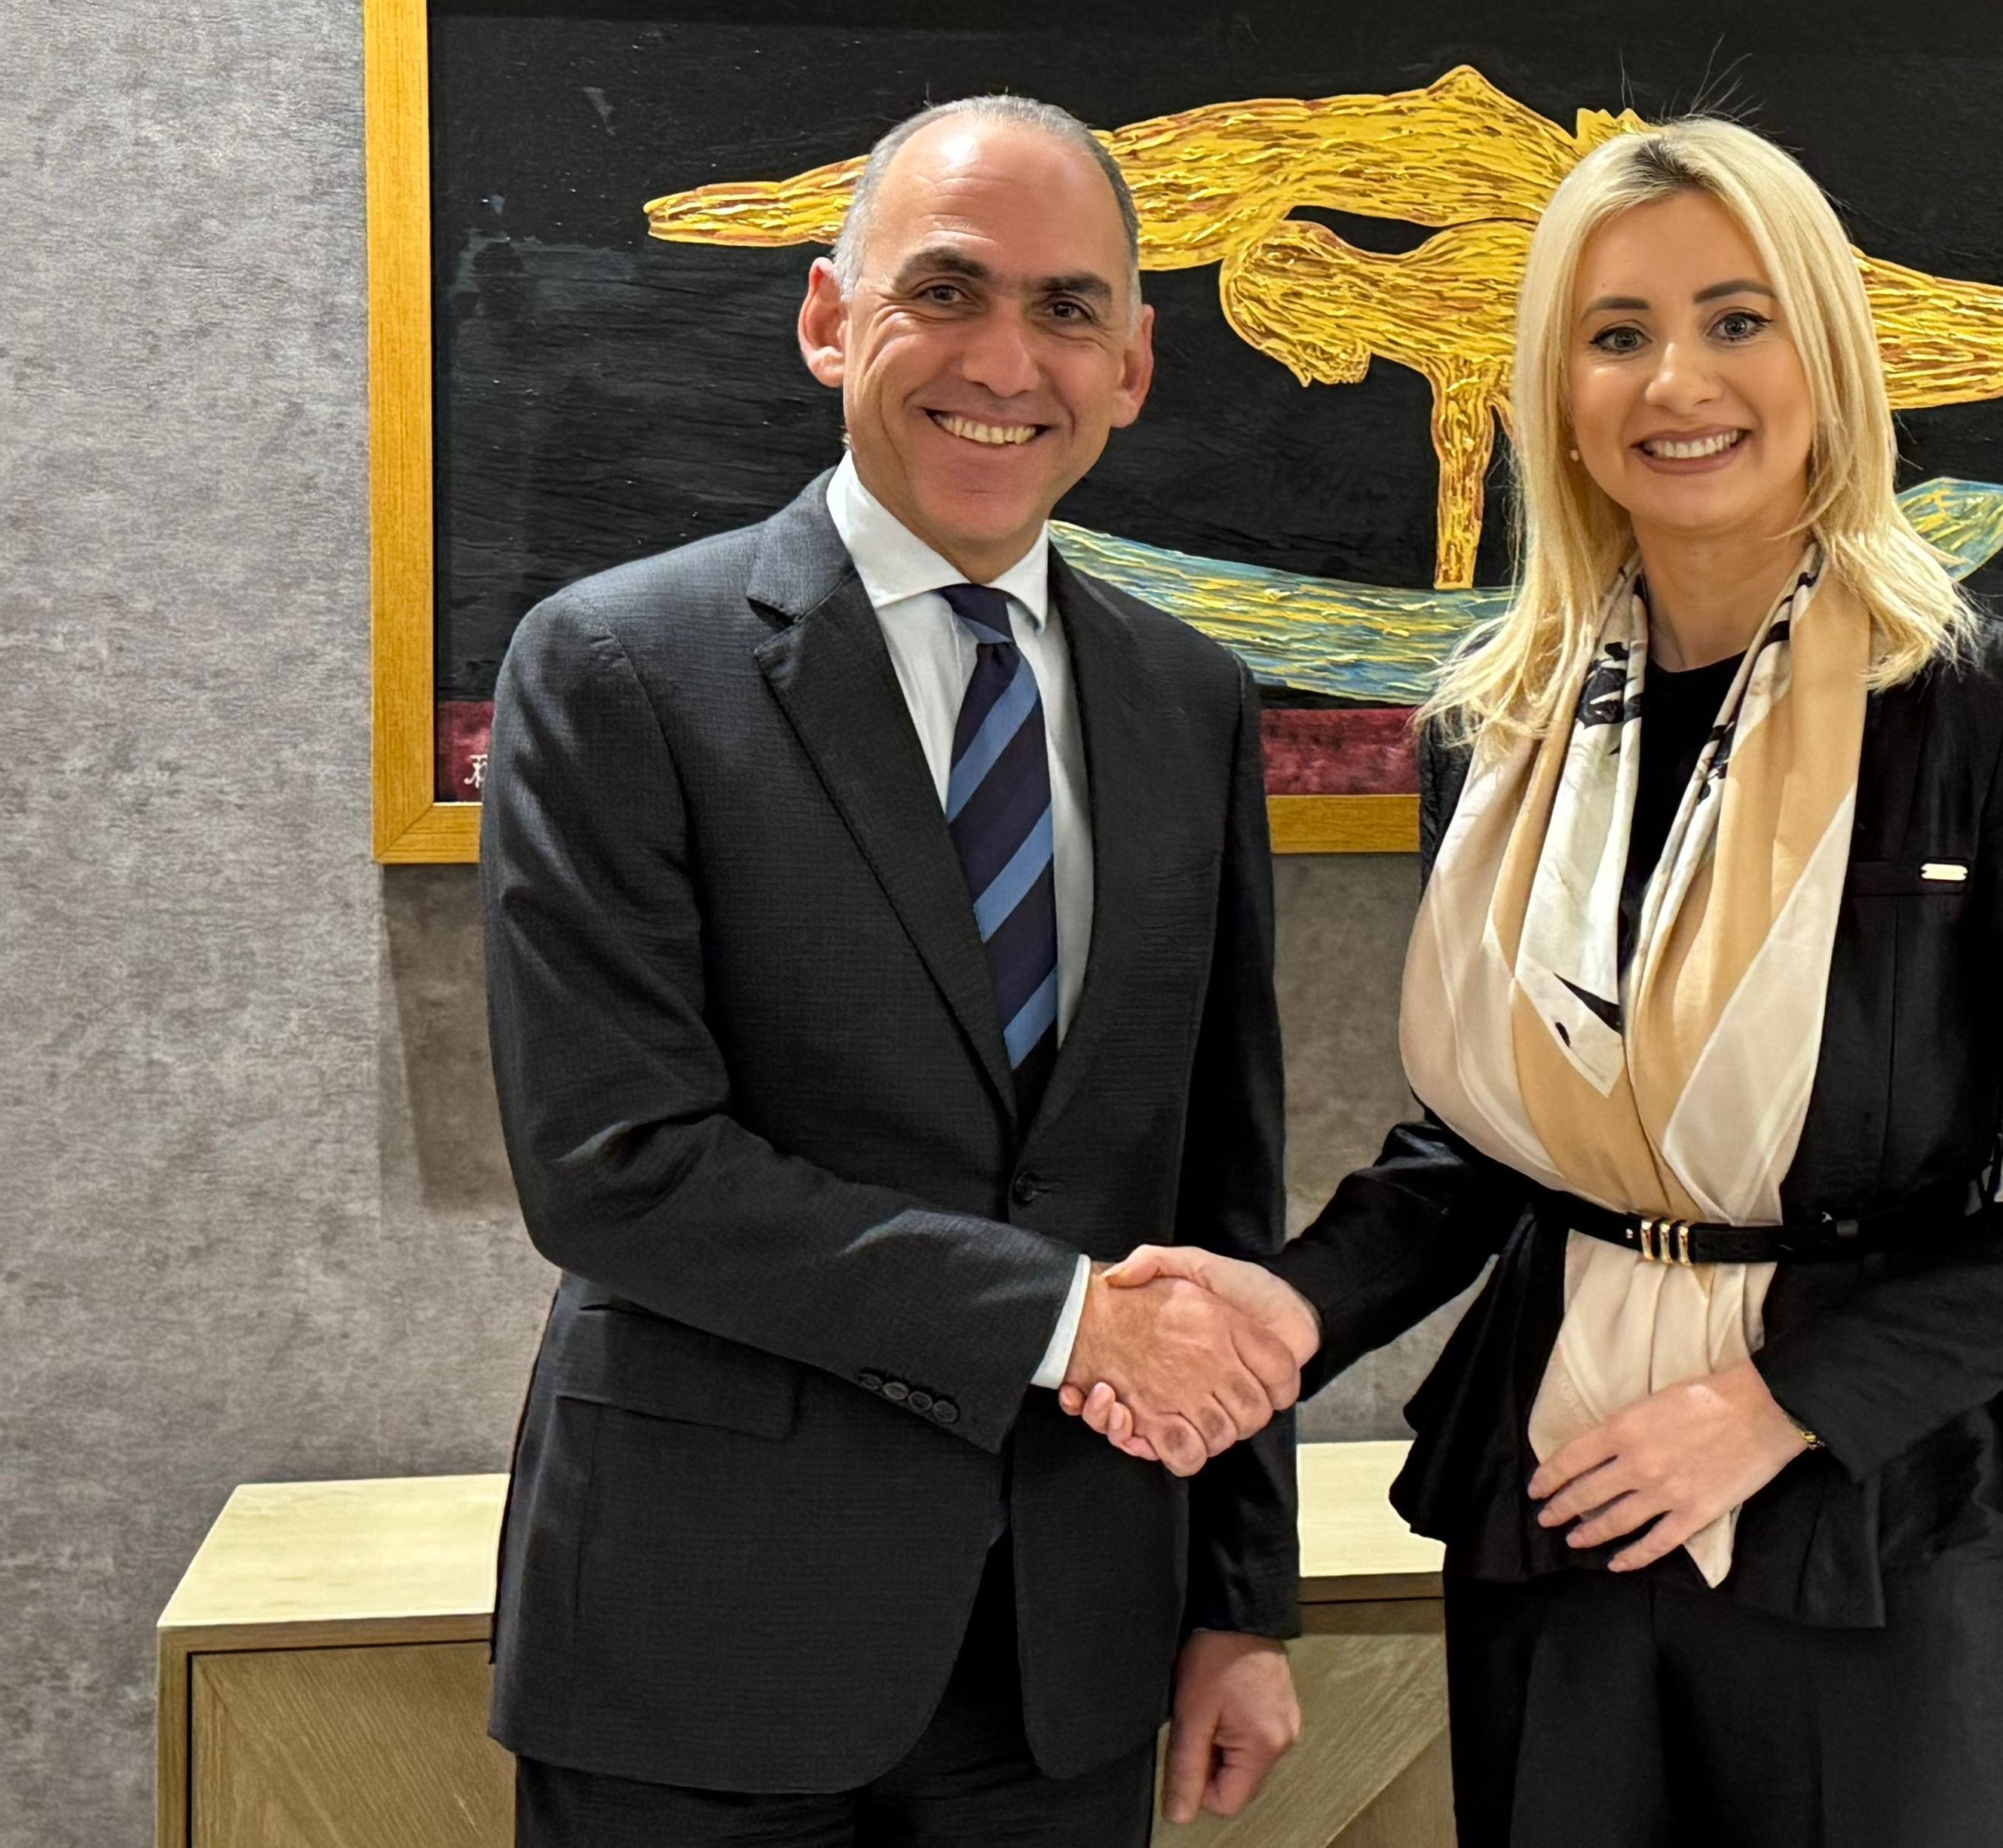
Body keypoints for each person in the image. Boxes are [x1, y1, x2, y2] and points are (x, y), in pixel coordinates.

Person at [1070, 118, 2003, 1845]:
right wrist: (1293, 1308)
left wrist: (1771, 1408)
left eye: (1736, 320)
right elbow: (1499, 1139)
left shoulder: (1982, 707)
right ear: (1556, 390)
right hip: (1559, 1477)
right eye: (1617, 334)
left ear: (1826, 353)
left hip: (1872, 1493)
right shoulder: (1494, 726)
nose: (1678, 380)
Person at [476, 95, 1314, 1847]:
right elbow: (616, 1168)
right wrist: (1068, 1318)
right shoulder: (616, 666)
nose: (1006, 361)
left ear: (1133, 364)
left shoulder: (1192, 700)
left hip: (1073, 1653)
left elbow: (1214, 1188)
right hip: (702, 1639)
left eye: (1068, 309)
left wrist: (1240, 1599)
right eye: (945, 290)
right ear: (827, 317)